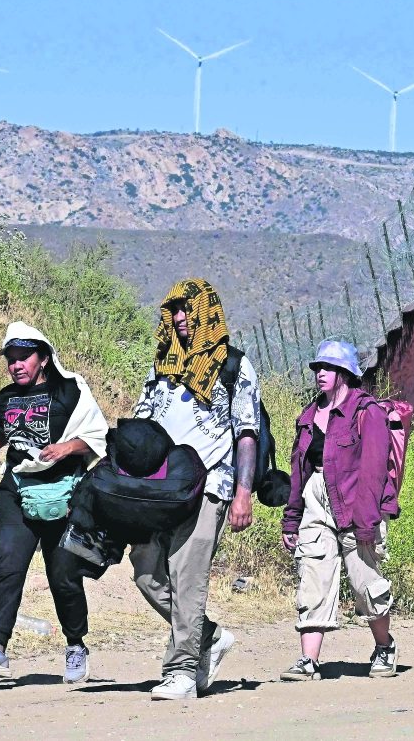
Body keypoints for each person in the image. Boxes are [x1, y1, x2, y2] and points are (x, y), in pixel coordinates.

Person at [0, 322, 108, 683]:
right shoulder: (8, 395)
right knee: (8, 559)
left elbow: (97, 434)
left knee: (63, 575)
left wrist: (66, 447)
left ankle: (76, 645)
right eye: (11, 359)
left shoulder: (70, 390)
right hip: (18, 487)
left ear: (44, 358)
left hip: (63, 491)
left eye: (24, 357)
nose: (16, 365)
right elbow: (4, 431)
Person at [130, 279, 260, 700]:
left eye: (189, 310)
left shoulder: (234, 366)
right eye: (175, 311)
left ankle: (182, 670)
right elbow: (144, 423)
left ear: (207, 312)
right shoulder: (161, 367)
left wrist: (243, 493)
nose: (181, 319)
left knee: (187, 576)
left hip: (211, 484)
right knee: (146, 571)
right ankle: (209, 636)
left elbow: (246, 433)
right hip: (159, 486)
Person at [279, 340, 397, 682]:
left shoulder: (367, 411)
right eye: (318, 368)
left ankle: (384, 646)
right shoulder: (307, 415)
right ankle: (308, 661)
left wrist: (365, 524)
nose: (320, 374)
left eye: (328, 368)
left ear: (345, 374)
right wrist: (292, 519)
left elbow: (375, 470)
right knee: (312, 576)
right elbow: (298, 470)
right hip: (316, 496)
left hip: (359, 498)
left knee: (365, 582)